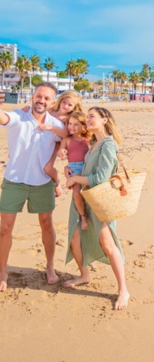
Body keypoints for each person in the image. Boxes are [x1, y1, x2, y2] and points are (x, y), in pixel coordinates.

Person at [0, 82, 65, 292]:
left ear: (53, 102)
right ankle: (2, 271)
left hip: (41, 183)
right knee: (4, 228)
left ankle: (50, 267)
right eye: (39, 96)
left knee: (47, 225)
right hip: (14, 181)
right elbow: (4, 117)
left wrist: (56, 172)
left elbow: (66, 139)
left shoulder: (58, 126)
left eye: (47, 98)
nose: (41, 101)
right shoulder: (19, 116)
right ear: (32, 96)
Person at [64, 107, 130, 310]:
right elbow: (86, 169)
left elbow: (101, 178)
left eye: (92, 116)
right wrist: (70, 170)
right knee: (74, 240)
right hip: (83, 200)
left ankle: (123, 290)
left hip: (99, 201)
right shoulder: (94, 143)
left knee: (108, 245)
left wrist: (76, 179)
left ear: (105, 119)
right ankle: (84, 275)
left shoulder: (108, 145)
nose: (88, 119)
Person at [35, 90, 83, 197]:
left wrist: (51, 128)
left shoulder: (67, 119)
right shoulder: (51, 110)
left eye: (70, 105)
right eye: (64, 102)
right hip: (41, 139)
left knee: (47, 167)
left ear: (74, 107)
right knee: (37, 163)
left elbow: (65, 133)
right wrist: (26, 108)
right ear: (60, 101)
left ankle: (57, 182)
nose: (65, 106)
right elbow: (36, 111)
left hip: (56, 142)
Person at [57, 112, 91, 231]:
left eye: (76, 124)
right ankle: (83, 216)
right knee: (77, 193)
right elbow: (60, 151)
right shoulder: (67, 139)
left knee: (89, 193)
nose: (71, 127)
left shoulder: (88, 139)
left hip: (87, 167)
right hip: (75, 169)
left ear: (84, 126)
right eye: (70, 123)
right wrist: (62, 153)